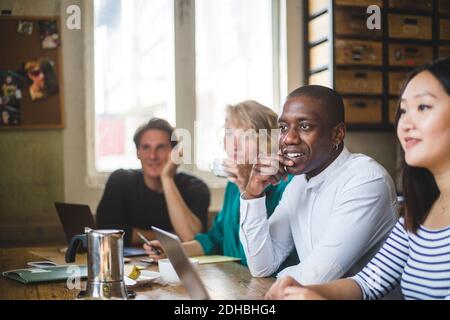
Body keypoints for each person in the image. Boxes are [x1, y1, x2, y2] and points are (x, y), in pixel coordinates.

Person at [272, 58, 450, 300]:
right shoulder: (419, 213)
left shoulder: (365, 178)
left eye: (423, 107)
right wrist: (302, 290)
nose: (405, 123)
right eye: (404, 110)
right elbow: (369, 283)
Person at [239, 85, 398, 292]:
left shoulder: (366, 181)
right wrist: (252, 194)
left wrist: (287, 277)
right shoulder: (298, 183)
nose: (288, 139)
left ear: (338, 134)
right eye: (284, 128)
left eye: (305, 127)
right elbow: (261, 266)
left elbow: (317, 277)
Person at [144, 101, 298, 269]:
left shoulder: (286, 184)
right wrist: (173, 250)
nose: (234, 144)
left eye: (247, 136)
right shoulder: (233, 183)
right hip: (237, 282)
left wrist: (248, 192)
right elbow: (216, 237)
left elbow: (262, 257)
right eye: (230, 134)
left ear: (269, 141)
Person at [96, 118, 210, 246]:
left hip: (177, 263)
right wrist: (172, 236)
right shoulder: (120, 181)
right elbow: (106, 232)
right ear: (138, 153)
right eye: (146, 147)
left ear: (174, 153)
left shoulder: (195, 187)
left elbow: (191, 238)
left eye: (161, 147)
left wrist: (167, 178)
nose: (153, 156)